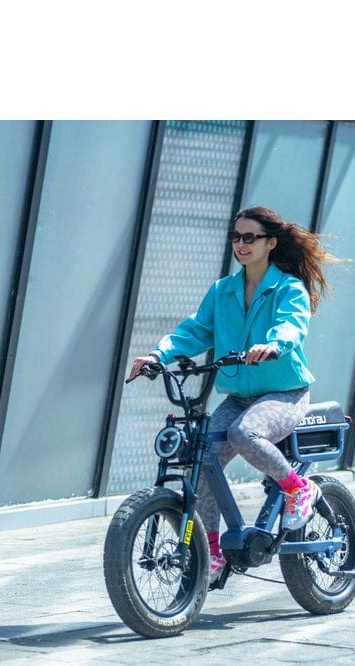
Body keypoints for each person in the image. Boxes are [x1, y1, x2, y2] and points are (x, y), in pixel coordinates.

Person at [127, 206, 333, 582]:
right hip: (239, 397)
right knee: (200, 456)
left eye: (250, 237)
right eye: (236, 237)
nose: (241, 244)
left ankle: (299, 489)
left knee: (244, 434)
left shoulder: (288, 288)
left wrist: (273, 345)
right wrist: (158, 354)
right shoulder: (223, 291)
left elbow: (292, 325)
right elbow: (194, 332)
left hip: (284, 393)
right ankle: (213, 551)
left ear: (270, 243)